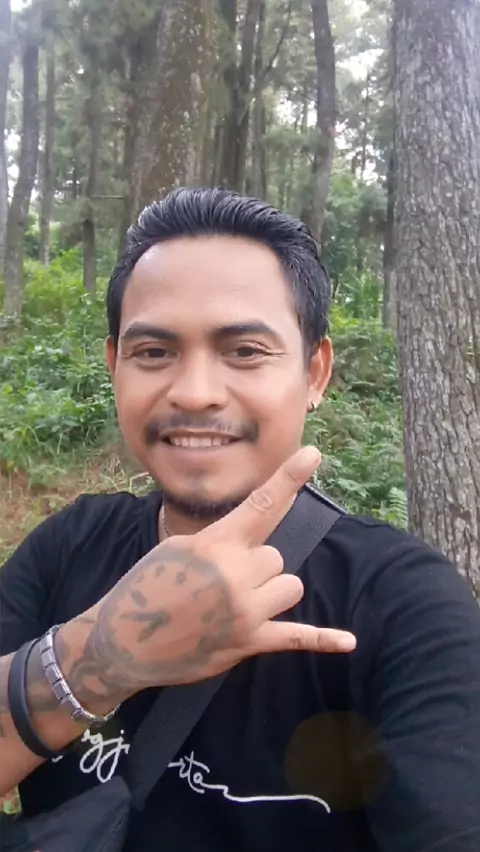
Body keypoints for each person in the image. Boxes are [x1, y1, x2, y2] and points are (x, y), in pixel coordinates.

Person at [0, 188, 479, 852]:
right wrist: (97, 659)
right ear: (115, 368)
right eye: (154, 352)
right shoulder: (67, 547)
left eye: (246, 351)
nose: (195, 393)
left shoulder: (403, 604)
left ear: (315, 372)